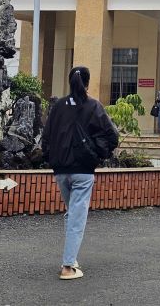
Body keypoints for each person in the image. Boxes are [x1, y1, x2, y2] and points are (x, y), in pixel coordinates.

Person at [42, 66, 119, 280]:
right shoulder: (93, 106)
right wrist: (97, 154)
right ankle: (68, 266)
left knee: (71, 212)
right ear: (87, 82)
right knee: (77, 215)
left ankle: (72, 258)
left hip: (61, 170)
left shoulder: (58, 106)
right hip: (83, 171)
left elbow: (46, 137)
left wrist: (53, 158)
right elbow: (112, 137)